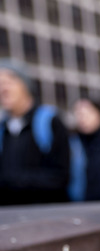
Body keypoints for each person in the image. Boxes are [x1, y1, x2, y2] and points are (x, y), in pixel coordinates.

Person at [0, 60, 70, 205]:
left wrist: (12, 180)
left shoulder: (50, 121)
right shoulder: (3, 128)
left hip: (47, 215)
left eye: (9, 81)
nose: (3, 88)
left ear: (25, 85)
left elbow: (61, 177)